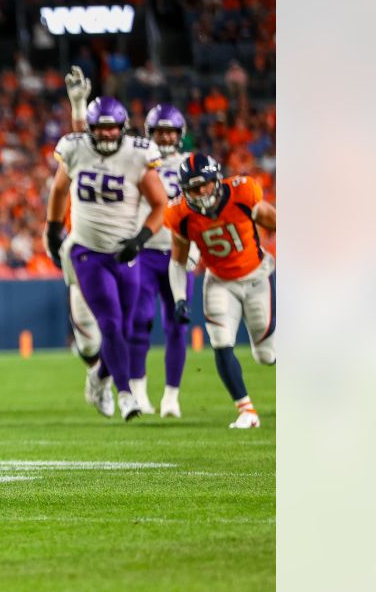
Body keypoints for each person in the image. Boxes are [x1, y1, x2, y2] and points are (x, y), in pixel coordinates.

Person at [65, 66, 193, 417]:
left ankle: (166, 395)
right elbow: (85, 146)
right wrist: (78, 108)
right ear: (148, 133)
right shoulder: (130, 152)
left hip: (175, 250)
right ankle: (131, 389)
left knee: (174, 324)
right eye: (159, 132)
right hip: (130, 250)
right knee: (126, 325)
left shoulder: (192, 165)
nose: (165, 140)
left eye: (171, 133)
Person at [45, 96, 171, 420]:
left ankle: (99, 377)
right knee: (110, 323)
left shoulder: (137, 154)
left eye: (111, 128)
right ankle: (126, 394)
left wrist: (141, 239)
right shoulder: (76, 149)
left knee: (125, 330)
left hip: (124, 252)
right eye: (99, 128)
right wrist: (52, 229)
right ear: (89, 129)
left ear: (123, 128)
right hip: (87, 251)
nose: (105, 134)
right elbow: (59, 190)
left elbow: (160, 204)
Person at [166, 154, 276, 428]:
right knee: (220, 341)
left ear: (216, 180)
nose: (199, 192)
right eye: (191, 188)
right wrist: (179, 298)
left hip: (256, 277)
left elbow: (273, 219)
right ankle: (246, 411)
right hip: (219, 281)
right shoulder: (179, 213)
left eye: (203, 184)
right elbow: (178, 261)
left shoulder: (243, 192)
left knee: (266, 355)